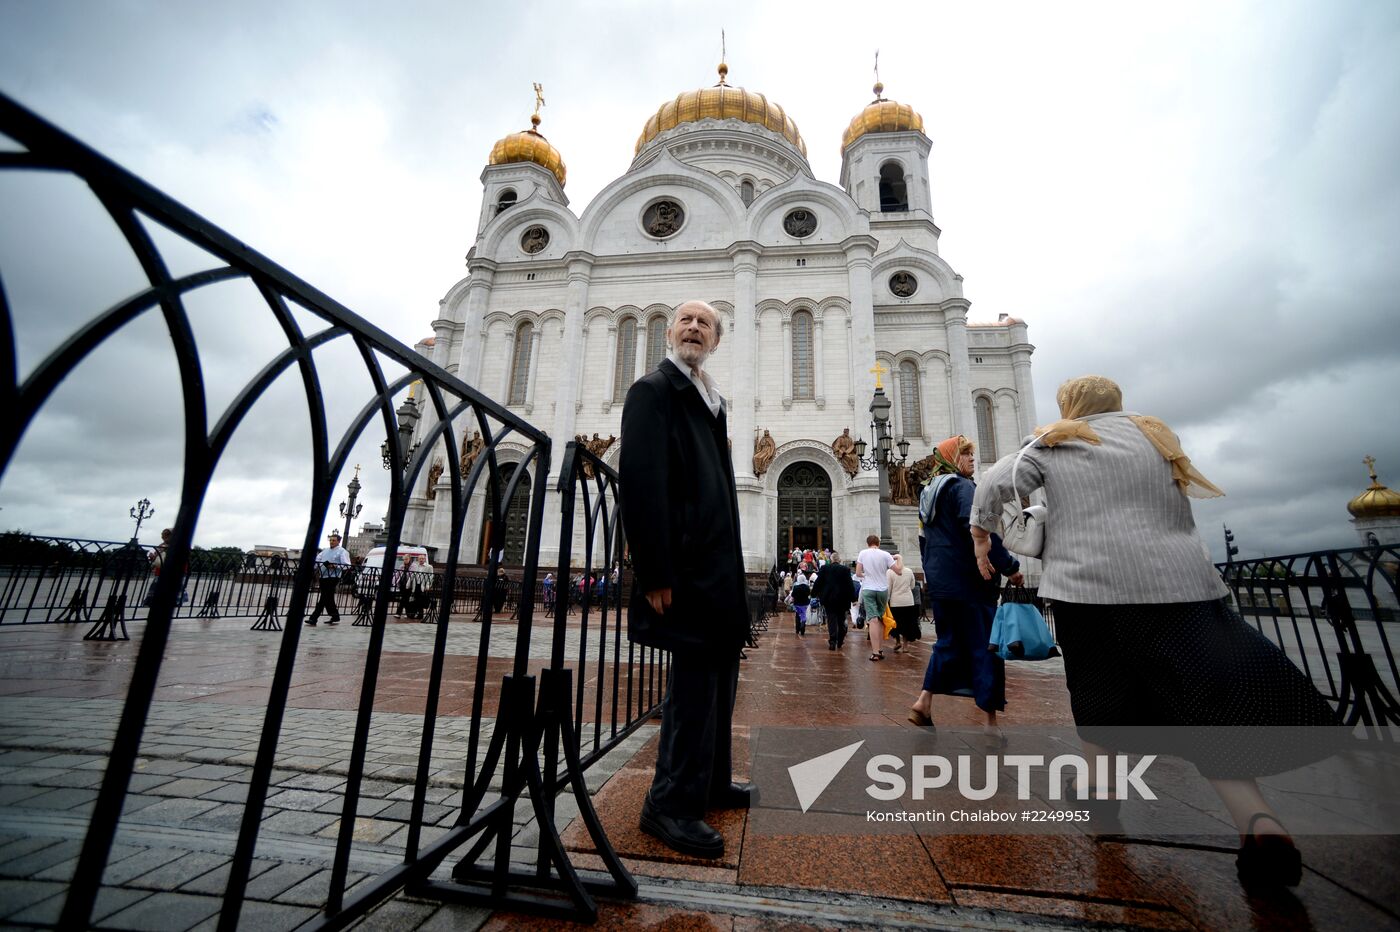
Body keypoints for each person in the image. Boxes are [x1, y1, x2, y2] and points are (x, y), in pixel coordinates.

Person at [970, 375, 1340, 888]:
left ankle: (1101, 802)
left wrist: (981, 538)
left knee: (1100, 694)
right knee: (1203, 701)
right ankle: (1257, 818)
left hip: (1092, 590)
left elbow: (992, 485)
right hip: (1185, 587)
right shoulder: (1157, 438)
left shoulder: (1059, 439)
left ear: (1072, 405)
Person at [620, 299, 753, 860]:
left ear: (716, 340)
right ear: (669, 332)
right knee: (693, 688)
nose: (695, 328)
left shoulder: (710, 400)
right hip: (688, 570)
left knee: (720, 681)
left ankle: (710, 781)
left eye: (706, 324)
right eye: (686, 321)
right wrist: (654, 569)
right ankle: (669, 804)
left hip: (718, 568)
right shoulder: (655, 391)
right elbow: (642, 481)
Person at [908, 435, 1022, 727]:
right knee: (985, 646)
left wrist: (933, 576)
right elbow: (979, 529)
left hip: (943, 586)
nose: (972, 459)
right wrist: (1010, 566)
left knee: (948, 643)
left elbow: (924, 544)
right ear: (951, 459)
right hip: (971, 582)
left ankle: (924, 702)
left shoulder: (928, 494)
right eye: (965, 454)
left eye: (972, 454)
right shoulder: (962, 488)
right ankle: (990, 722)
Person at [856, 535, 895, 661]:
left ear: (868, 543)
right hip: (883, 589)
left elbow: (857, 573)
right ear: (878, 543)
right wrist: (898, 558)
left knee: (873, 620)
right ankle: (880, 649)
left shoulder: (863, 553)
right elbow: (898, 570)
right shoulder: (885, 554)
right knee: (881, 618)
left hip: (868, 588)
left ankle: (875, 652)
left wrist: (866, 575)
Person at [307, 530, 351, 626]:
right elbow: (317, 561)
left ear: (338, 541)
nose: (331, 542)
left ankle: (313, 618)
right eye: (330, 540)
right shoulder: (325, 551)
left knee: (324, 597)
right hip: (323, 576)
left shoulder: (342, 552)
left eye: (334, 540)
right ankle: (335, 616)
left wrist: (335, 566)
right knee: (328, 597)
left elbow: (347, 565)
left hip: (334, 577)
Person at [812, 556, 856, 650]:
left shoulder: (825, 568)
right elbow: (850, 585)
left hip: (829, 598)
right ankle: (840, 639)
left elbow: (818, 582)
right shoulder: (845, 569)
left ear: (831, 560)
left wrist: (813, 593)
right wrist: (853, 598)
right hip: (842, 599)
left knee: (831, 620)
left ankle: (832, 641)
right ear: (839, 560)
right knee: (841, 620)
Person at [886, 553, 919, 651]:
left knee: (896, 623)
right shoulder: (909, 571)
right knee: (908, 623)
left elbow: (889, 588)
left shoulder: (890, 572)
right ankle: (905, 645)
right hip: (908, 601)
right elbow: (912, 585)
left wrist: (887, 599)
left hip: (895, 602)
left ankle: (897, 642)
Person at [393, 554, 415, 618]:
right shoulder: (402, 566)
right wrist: (394, 581)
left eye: (406, 559)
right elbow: (398, 574)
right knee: (405, 599)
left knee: (404, 599)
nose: (405, 560)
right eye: (404, 559)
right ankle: (408, 614)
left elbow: (412, 575)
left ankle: (398, 613)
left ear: (409, 559)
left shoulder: (413, 566)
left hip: (409, 585)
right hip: (402, 584)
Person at [790, 570, 811, 635]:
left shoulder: (796, 587)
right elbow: (809, 594)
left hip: (797, 604)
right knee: (803, 615)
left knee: (797, 616)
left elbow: (793, 595)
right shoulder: (807, 587)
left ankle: (797, 629)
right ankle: (803, 626)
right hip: (805, 604)